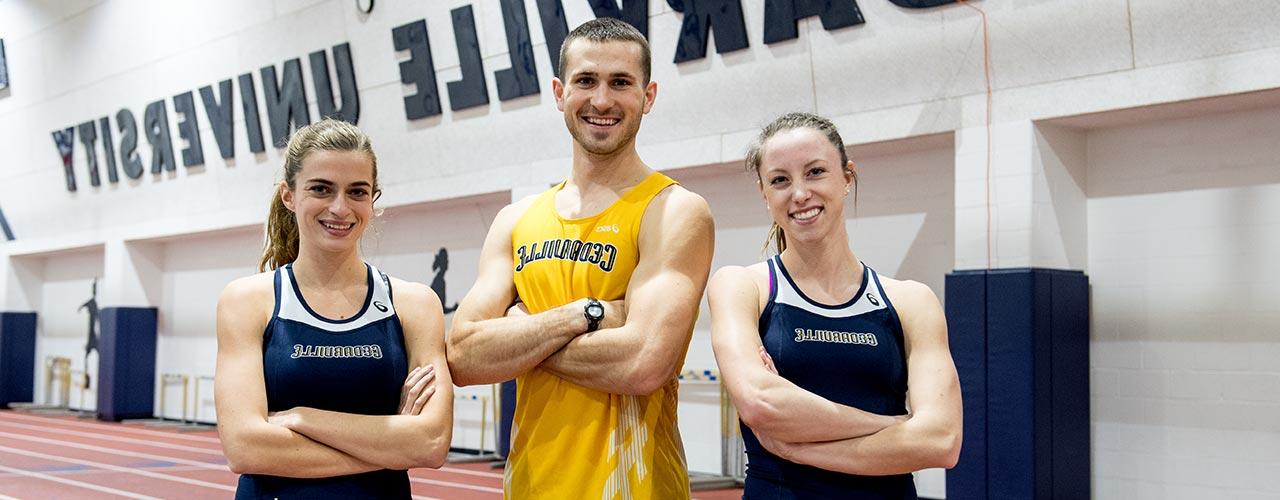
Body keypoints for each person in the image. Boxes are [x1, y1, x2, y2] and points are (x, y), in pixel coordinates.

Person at [446, 18, 715, 500]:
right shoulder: (515, 220)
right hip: (530, 487)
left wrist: (520, 332)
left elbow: (643, 362)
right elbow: (464, 355)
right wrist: (586, 315)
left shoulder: (673, 210)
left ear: (648, 96)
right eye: (586, 80)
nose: (602, 100)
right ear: (559, 92)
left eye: (621, 83)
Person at [708, 112, 962, 498]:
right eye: (780, 180)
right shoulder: (743, 286)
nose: (799, 194)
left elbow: (941, 440)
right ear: (764, 193)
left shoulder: (910, 300)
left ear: (847, 177)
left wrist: (797, 447)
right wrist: (895, 426)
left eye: (814, 172)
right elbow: (762, 405)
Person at [215, 119, 453, 499]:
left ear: (373, 201)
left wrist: (301, 418)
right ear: (288, 195)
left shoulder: (414, 305)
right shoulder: (247, 301)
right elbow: (245, 447)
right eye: (321, 189)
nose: (340, 208)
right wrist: (390, 441)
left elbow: (432, 442)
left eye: (357, 192)